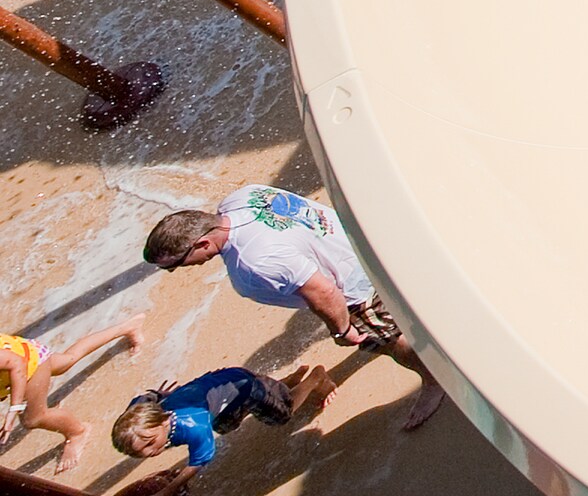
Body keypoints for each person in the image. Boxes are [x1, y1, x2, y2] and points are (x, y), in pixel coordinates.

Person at [144, 188, 445, 431]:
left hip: (353, 286)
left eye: (175, 265)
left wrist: (343, 329)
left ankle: (435, 380)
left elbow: (323, 291)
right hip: (360, 241)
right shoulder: (240, 198)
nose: (178, 271)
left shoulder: (252, 262)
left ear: (202, 243)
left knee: (387, 341)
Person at [111, 364, 333, 470]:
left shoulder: (194, 424)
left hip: (242, 385)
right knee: (227, 426)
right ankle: (286, 383)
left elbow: (194, 466)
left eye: (149, 444)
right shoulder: (135, 417)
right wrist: (159, 394)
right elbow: (144, 398)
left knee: (281, 416)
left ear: (164, 420)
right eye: (137, 453)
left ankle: (315, 378)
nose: (149, 454)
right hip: (218, 393)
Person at [3, 320, 143, 474]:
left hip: (28, 362)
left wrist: (14, 408)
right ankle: (128, 327)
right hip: (24, 350)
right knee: (68, 359)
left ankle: (77, 432)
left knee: (33, 419)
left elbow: (16, 363)